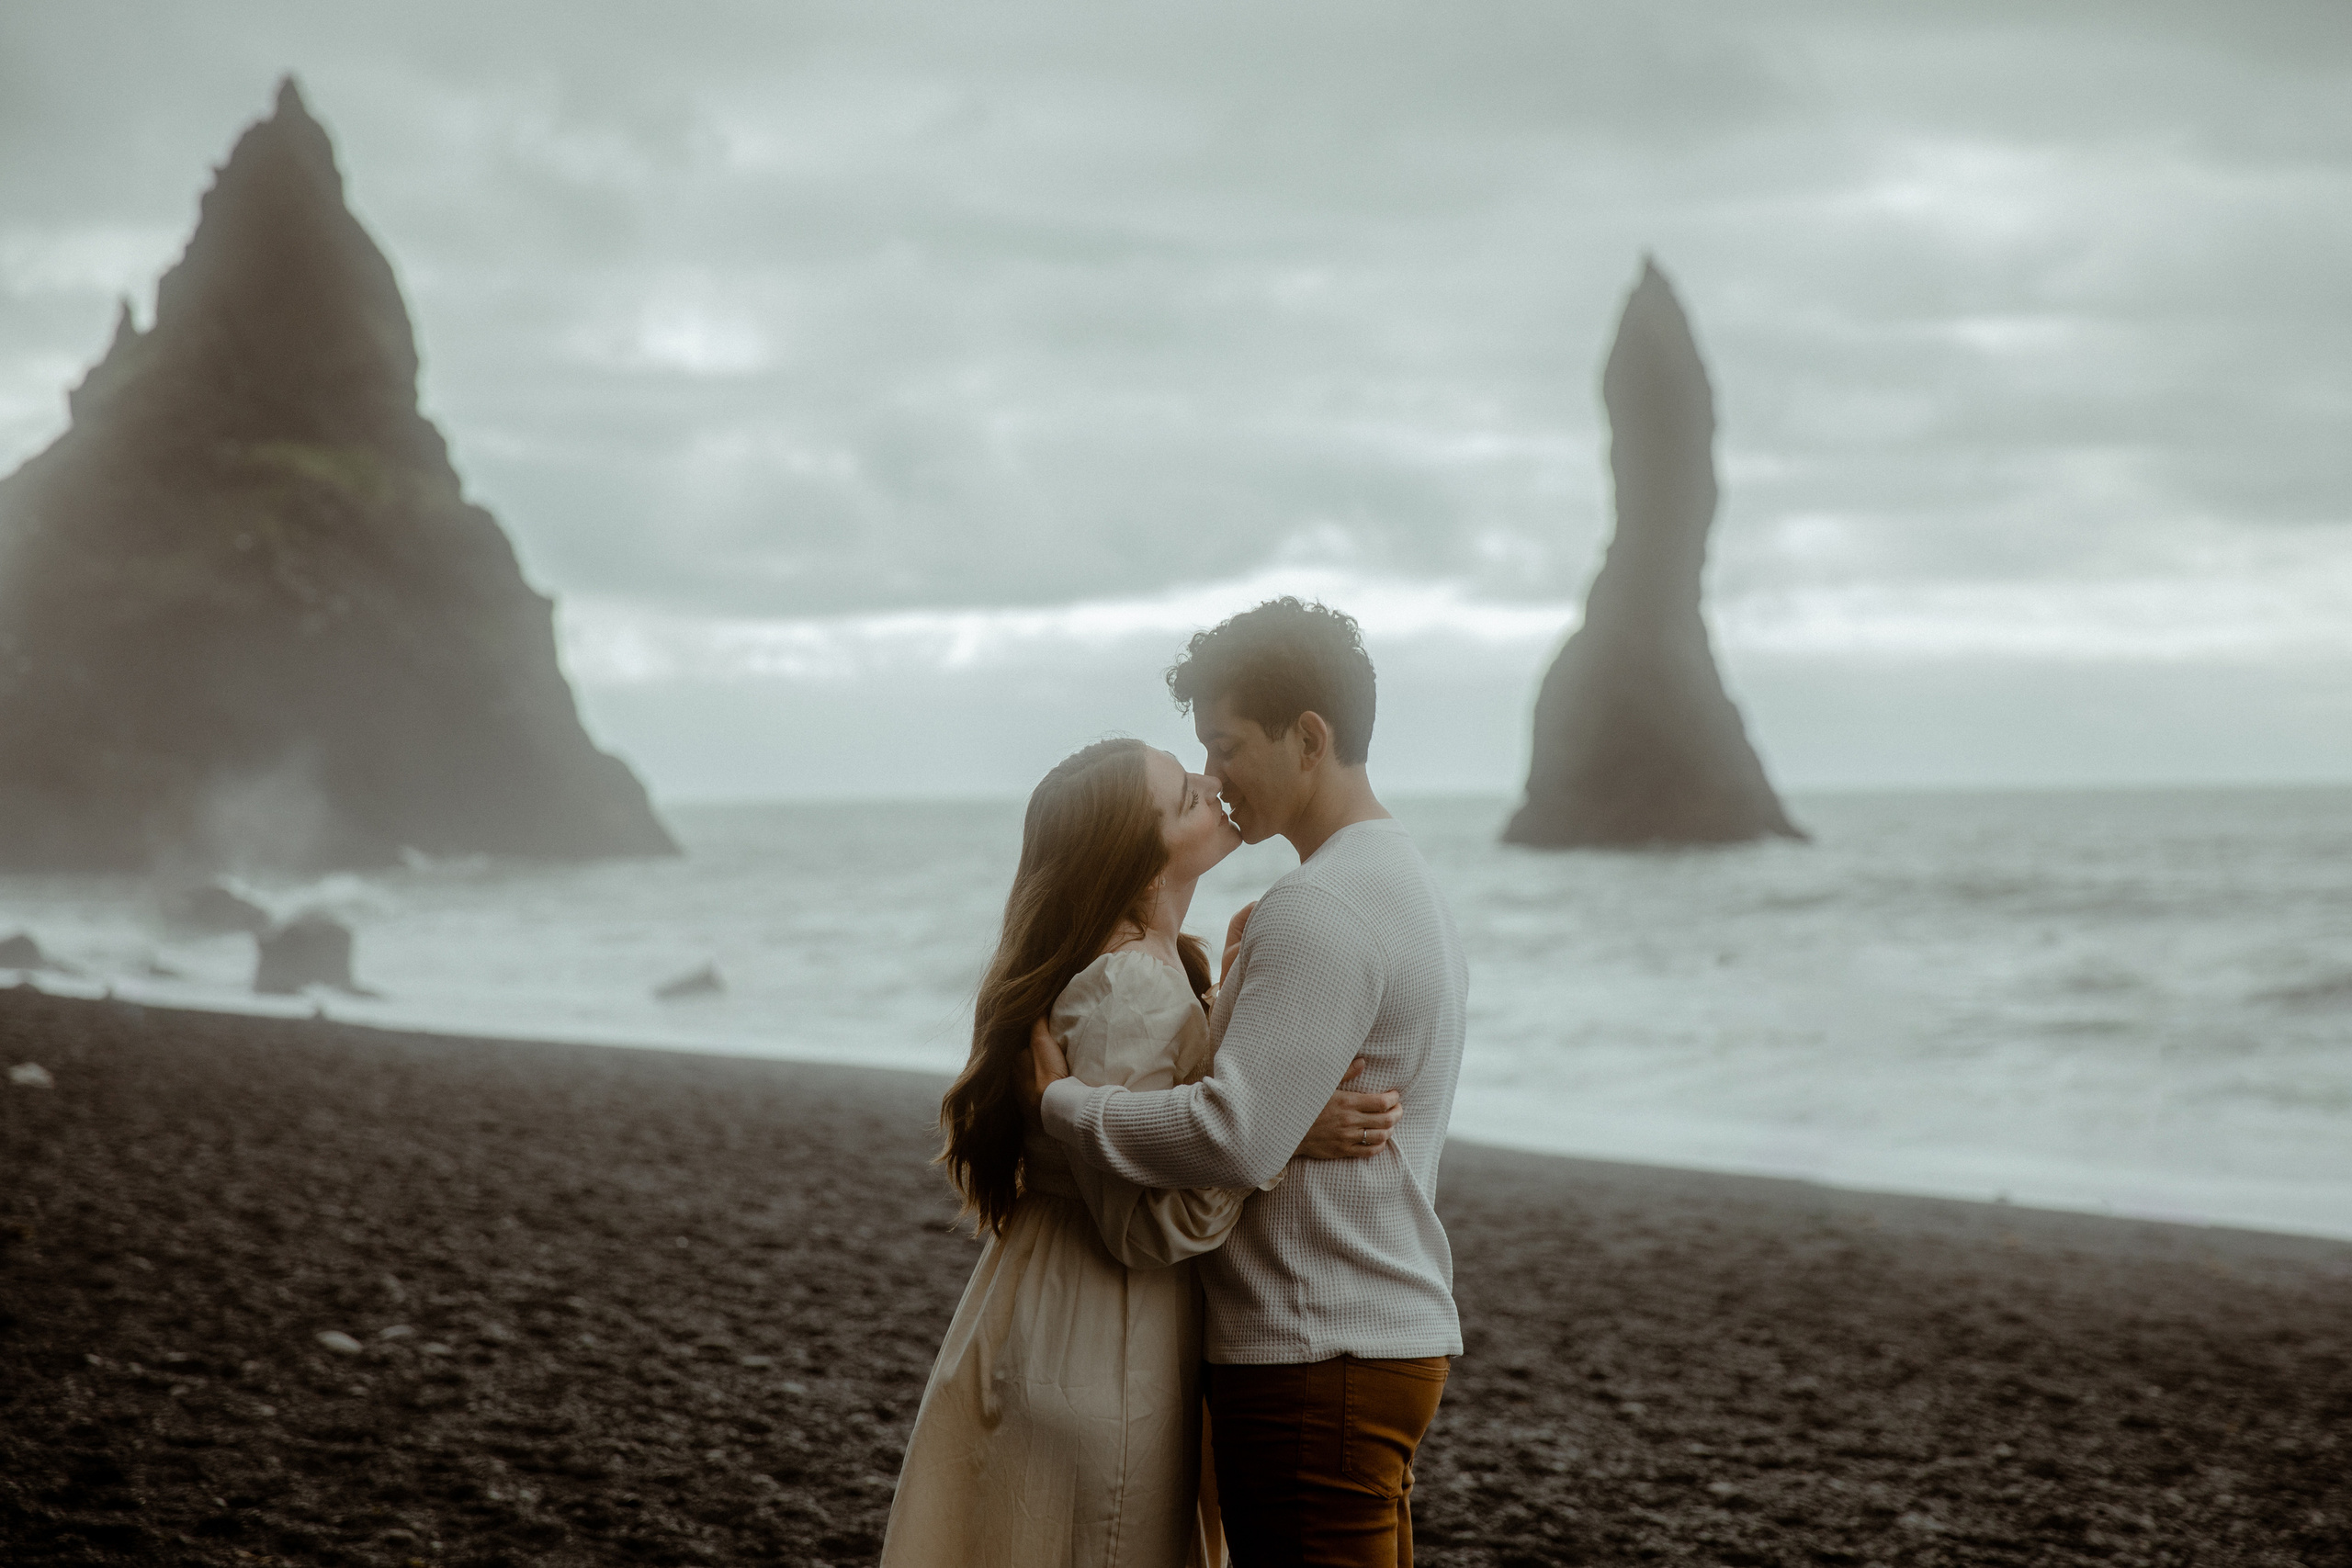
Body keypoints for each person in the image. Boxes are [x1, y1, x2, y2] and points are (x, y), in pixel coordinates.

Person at [881, 736, 1403, 1568]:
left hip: (1073, 1316)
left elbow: (1157, 1133)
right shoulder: (1129, 986)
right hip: (1100, 1332)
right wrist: (1280, 1136)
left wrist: (1232, 1014)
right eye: (1185, 795)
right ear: (1137, 853)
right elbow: (1149, 1227)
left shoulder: (1159, 967)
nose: (1212, 782)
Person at [1025, 598, 1467, 1568]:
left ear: (1308, 737)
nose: (1213, 780)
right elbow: (1271, 1114)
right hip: (1373, 1336)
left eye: (1225, 748)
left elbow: (1237, 1136)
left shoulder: (1316, 906)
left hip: (1315, 1352)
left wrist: (1063, 1107)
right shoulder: (1399, 877)